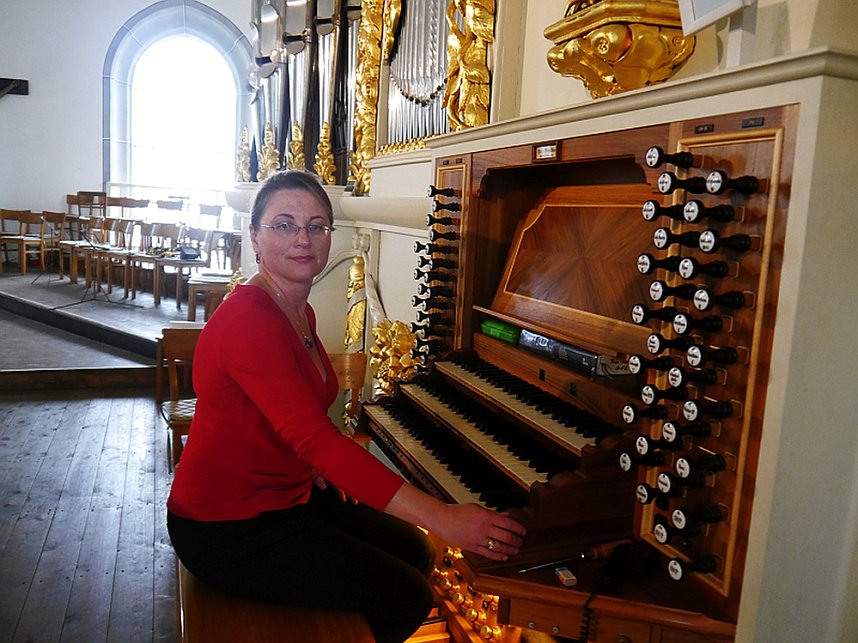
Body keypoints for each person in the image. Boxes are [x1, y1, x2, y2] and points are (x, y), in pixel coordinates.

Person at [167, 170, 526, 643]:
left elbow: (282, 418)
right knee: (406, 595)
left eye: (317, 226)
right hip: (226, 526)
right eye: (284, 225)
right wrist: (443, 516)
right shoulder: (249, 319)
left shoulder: (299, 310)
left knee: (414, 553)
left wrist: (306, 466)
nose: (303, 238)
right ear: (254, 236)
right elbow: (315, 437)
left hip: (285, 494)